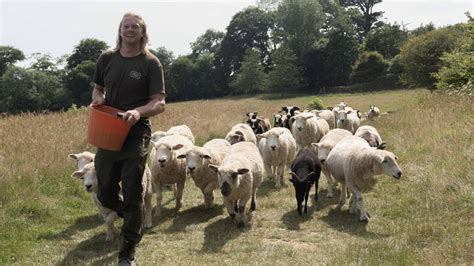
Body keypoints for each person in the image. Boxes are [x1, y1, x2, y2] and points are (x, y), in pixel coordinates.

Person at [90, 11, 165, 266]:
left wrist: (138, 111)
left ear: (142, 32)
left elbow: (159, 102)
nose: (130, 29)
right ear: (120, 30)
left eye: (135, 26)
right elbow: (98, 87)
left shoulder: (150, 63)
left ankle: (127, 252)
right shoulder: (106, 58)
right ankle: (129, 214)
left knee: (133, 190)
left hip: (137, 132)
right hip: (109, 130)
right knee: (105, 192)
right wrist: (98, 96)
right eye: (126, 26)